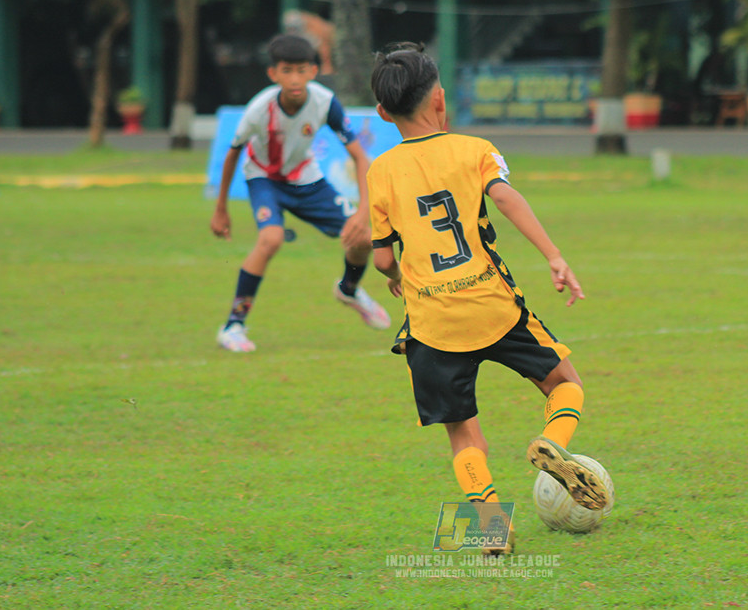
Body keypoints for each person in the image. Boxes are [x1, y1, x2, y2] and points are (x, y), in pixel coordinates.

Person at [367, 43, 608, 554]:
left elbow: (384, 258)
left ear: (384, 113)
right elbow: (504, 196)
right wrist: (554, 256)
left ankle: (493, 525)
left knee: (463, 433)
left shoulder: (380, 170)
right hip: (493, 306)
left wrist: (395, 277)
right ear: (441, 99)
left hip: (431, 323)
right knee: (566, 385)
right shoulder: (475, 149)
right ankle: (554, 445)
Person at [211, 34, 390, 352]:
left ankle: (348, 290)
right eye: (287, 70)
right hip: (264, 178)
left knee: (363, 238)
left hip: (307, 180)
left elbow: (361, 157)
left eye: (302, 70)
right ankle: (233, 325)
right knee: (271, 239)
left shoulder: (325, 102)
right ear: (273, 74)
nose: (295, 78)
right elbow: (232, 153)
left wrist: (363, 212)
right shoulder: (258, 109)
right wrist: (221, 208)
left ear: (313, 71)